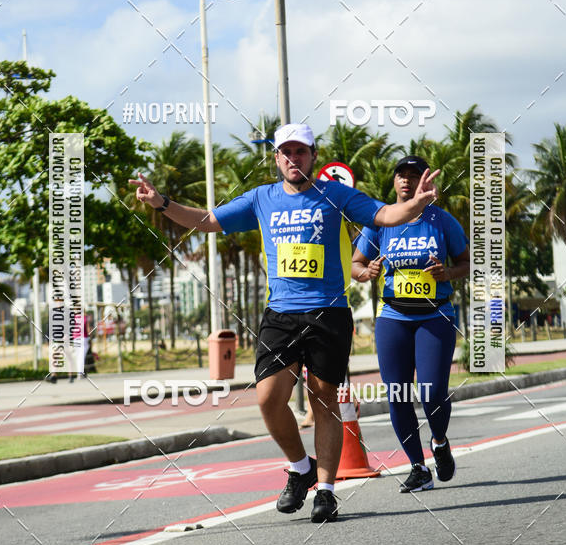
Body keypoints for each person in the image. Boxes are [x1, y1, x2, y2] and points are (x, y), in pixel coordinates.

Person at [130, 125, 440, 522]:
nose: (294, 158)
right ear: (276, 158)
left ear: (313, 155)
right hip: (281, 313)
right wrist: (161, 202)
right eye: (286, 152)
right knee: (267, 398)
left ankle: (326, 490)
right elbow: (207, 220)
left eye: (301, 151)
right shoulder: (262, 198)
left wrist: (415, 204)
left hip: (329, 312)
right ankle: (300, 467)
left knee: (323, 400)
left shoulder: (335, 194)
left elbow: (384, 214)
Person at [351, 155, 470, 493]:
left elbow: (465, 262)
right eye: (400, 175)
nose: (406, 180)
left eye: (413, 175)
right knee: (398, 395)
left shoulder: (441, 221)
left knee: (432, 392)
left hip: (435, 316)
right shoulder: (381, 221)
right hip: (393, 318)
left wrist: (447, 272)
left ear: (424, 182)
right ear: (394, 182)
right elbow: (356, 265)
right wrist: (367, 272)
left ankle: (440, 442)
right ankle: (418, 468)